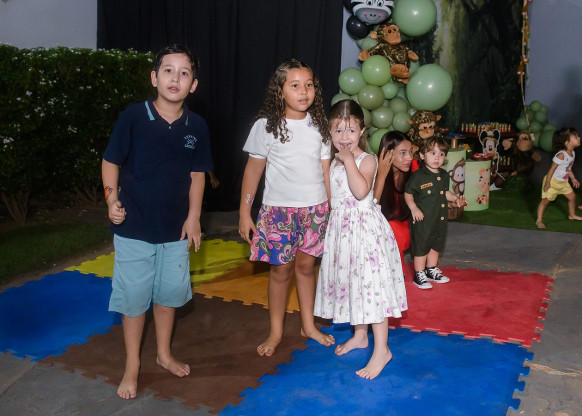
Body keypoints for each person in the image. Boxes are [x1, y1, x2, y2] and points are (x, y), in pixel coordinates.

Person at [101, 44, 213, 399]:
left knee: (168, 296)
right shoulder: (133, 117)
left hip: (175, 231)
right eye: (168, 70)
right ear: (154, 77)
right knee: (134, 299)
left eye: (184, 73)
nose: (175, 78)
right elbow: (110, 161)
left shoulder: (197, 126)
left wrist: (194, 217)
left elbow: (198, 174)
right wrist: (111, 200)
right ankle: (132, 364)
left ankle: (163, 353)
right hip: (134, 227)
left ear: (193, 84)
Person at [238, 58, 335, 357]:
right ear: (280, 91)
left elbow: (326, 170)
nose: (303, 91)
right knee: (280, 272)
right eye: (295, 85)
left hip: (315, 210)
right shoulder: (266, 126)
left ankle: (308, 325)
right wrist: (244, 213)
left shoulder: (320, 125)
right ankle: (276, 331)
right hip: (278, 213)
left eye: (309, 85)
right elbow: (253, 172)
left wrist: (332, 208)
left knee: (306, 268)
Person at [314, 100, 407, 380]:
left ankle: (382, 350)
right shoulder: (333, 161)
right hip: (343, 233)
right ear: (330, 132)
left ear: (362, 131)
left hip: (365, 233)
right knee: (355, 284)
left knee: (372, 289)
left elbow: (360, 191)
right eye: (338, 130)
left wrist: (347, 161)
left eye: (351, 130)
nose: (345, 137)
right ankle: (360, 335)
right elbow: (331, 197)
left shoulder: (367, 160)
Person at [404, 136, 467, 289]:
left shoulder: (444, 175)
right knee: (421, 247)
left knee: (436, 245)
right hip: (423, 221)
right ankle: (419, 274)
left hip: (439, 219)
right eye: (432, 153)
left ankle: (431, 270)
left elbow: (444, 192)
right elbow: (408, 193)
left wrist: (455, 199)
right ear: (422, 155)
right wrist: (413, 208)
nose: (437, 157)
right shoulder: (418, 176)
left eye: (441, 154)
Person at [373, 131, 414, 274]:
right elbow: (371, 208)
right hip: (379, 230)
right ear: (388, 154)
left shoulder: (414, 169)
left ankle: (397, 273)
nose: (409, 157)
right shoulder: (372, 170)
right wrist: (382, 175)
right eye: (403, 153)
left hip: (409, 226)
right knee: (391, 227)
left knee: (394, 228)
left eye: (411, 151)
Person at [536, 127, 582, 228]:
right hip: (553, 182)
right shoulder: (561, 155)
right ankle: (539, 220)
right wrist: (547, 183)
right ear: (566, 142)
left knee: (572, 197)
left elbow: (568, 168)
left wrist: (573, 178)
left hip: (563, 182)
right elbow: (551, 170)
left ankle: (572, 215)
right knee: (545, 201)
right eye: (575, 136)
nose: (579, 138)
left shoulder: (573, 153)